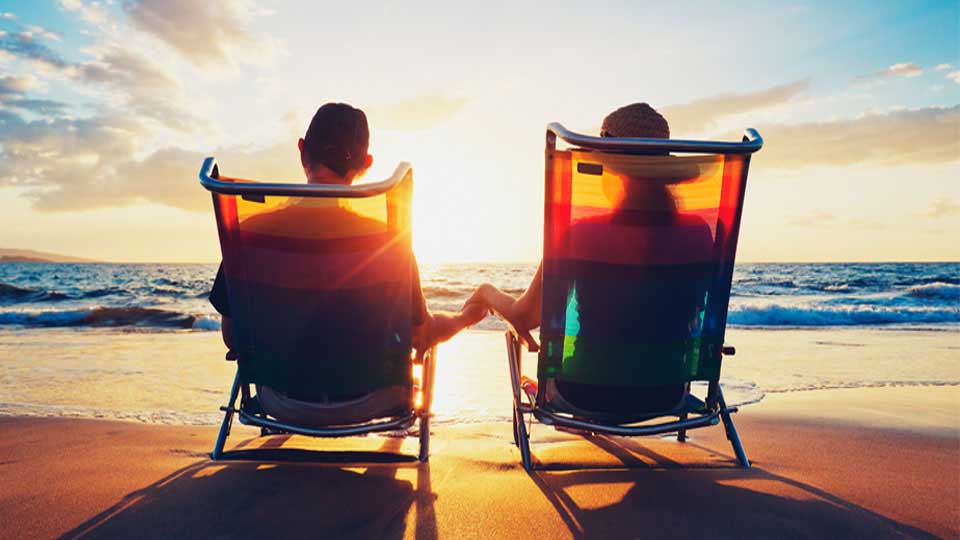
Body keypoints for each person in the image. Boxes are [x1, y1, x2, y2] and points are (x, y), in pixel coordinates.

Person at [209, 102, 485, 424]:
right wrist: (465, 317)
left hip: (279, 402)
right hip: (371, 401)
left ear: (302, 151)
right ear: (366, 164)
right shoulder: (387, 242)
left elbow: (233, 336)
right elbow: (420, 335)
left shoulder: (251, 234)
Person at [465, 102, 713, 415]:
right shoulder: (699, 234)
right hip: (666, 394)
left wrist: (487, 292)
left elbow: (526, 318)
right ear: (665, 173)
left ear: (609, 169)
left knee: (534, 370)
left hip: (583, 393)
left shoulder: (581, 233)